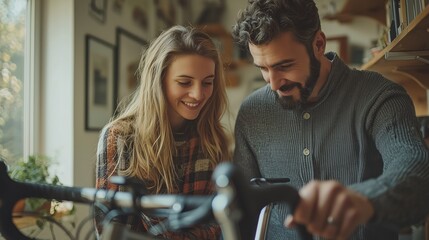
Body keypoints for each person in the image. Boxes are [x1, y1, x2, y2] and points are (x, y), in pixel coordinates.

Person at [232, 0, 429, 239]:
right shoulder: (252, 113)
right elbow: (239, 211)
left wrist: (363, 200)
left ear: (318, 44)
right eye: (262, 68)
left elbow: (417, 173)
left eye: (284, 65)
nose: (273, 83)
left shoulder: (380, 96)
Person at [96, 25, 230, 240]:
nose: (198, 94)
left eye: (207, 82)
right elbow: (110, 229)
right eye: (184, 82)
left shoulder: (212, 140)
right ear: (158, 80)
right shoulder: (119, 138)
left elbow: (217, 223)